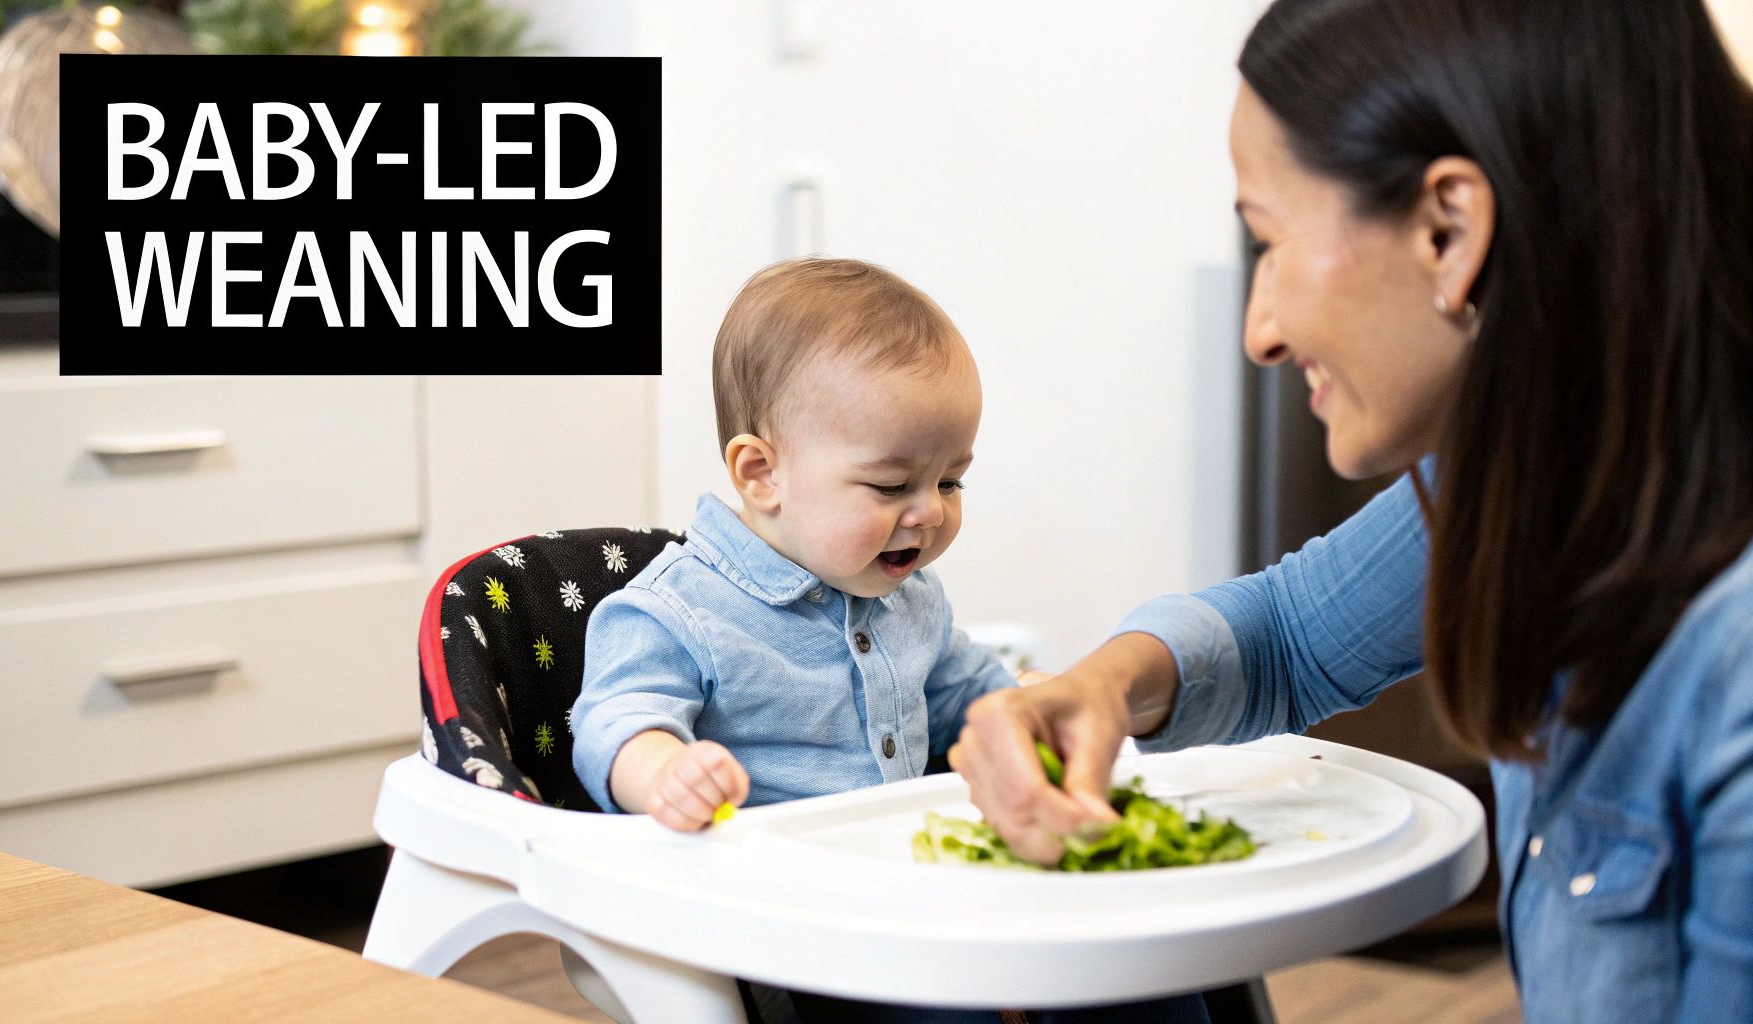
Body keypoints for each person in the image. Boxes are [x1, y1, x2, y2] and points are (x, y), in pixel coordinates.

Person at [948, 1, 1753, 1020]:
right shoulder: (1538, 477)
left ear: (1446, 231)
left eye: (1269, 244)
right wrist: (1104, 684)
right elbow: (1285, 631)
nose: (1260, 332)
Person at [570, 256, 1015, 827]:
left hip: (898, 876)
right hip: (753, 892)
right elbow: (615, 719)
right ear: (761, 475)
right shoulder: (681, 610)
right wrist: (667, 775)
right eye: (892, 486)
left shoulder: (914, 600)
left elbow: (966, 693)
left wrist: (1028, 707)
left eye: (950, 481)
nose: (931, 510)